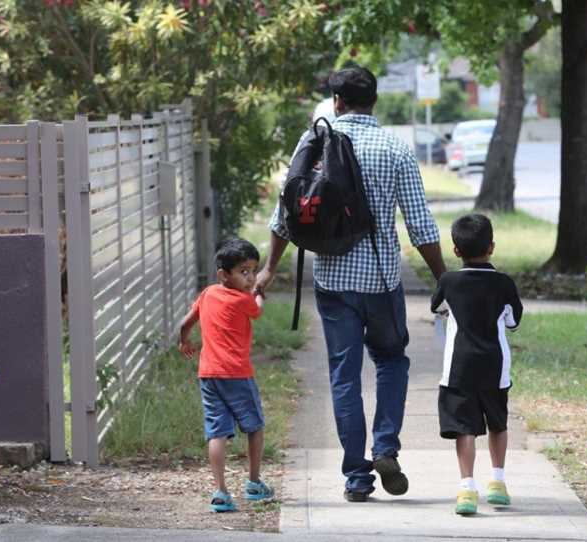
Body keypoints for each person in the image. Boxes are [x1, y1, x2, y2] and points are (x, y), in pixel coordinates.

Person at [256, 66, 446, 502]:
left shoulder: (314, 144)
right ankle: (385, 447)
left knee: (344, 376)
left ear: (336, 102)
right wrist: (443, 279)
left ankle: (357, 477)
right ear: (373, 101)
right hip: (381, 283)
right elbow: (419, 223)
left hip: (333, 282)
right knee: (392, 361)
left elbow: (284, 215)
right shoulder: (395, 148)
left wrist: (268, 269)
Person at [430, 214, 523, 516]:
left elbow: (439, 309)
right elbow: (512, 322)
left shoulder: (449, 282)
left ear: (456, 251)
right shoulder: (504, 284)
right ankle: (498, 482)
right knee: (498, 423)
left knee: (463, 428)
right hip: (495, 367)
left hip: (459, 368)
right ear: (492, 247)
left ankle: (467, 488)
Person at [178, 237, 275, 513]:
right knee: (254, 426)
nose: (251, 277)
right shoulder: (243, 299)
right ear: (224, 274)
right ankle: (254, 483)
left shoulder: (208, 293)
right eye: (244, 271)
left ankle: (220, 491)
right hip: (236, 374)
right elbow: (257, 311)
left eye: (253, 271)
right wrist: (257, 292)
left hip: (208, 374)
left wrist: (184, 341)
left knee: (217, 432)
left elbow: (186, 323)